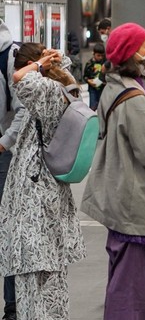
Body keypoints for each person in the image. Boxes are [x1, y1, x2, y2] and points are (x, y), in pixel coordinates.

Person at [80, 23, 145, 319]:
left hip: (119, 195)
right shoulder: (135, 99)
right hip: (136, 201)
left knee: (121, 280)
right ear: (131, 55)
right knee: (134, 290)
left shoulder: (113, 89)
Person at [0, 44, 86, 320]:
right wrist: (50, 60)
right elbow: (65, 64)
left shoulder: (46, 92)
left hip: (34, 198)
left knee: (33, 278)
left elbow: (20, 79)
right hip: (49, 194)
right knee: (52, 278)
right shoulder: (65, 88)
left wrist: (38, 64)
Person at [0, 24, 21, 320]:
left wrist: (4, 143)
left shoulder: (9, 54)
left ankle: (13, 306)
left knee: (7, 229)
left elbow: (23, 108)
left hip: (4, 154)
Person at [83, 42, 107, 110]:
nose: (100, 57)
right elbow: (85, 76)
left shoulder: (105, 63)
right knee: (92, 107)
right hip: (93, 89)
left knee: (102, 107)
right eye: (98, 55)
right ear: (93, 54)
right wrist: (88, 81)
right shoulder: (89, 64)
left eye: (102, 56)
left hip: (102, 88)